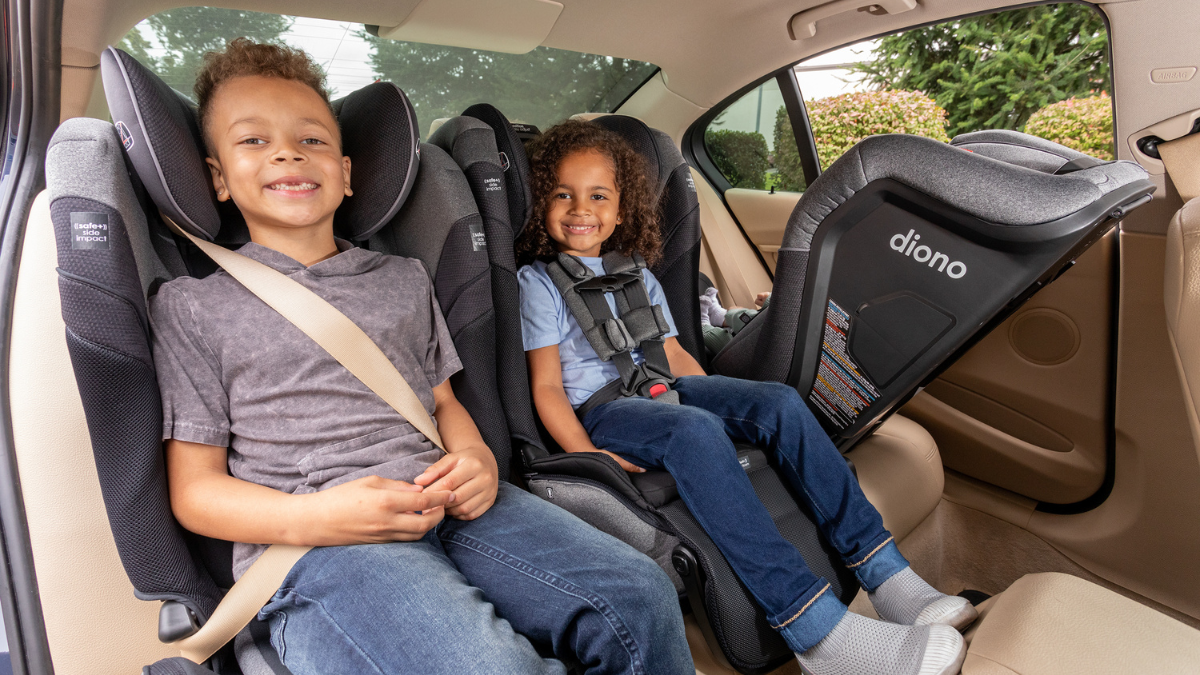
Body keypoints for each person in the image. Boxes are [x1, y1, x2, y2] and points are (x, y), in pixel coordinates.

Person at [150, 39, 692, 675]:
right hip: (319, 543)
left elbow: (440, 402)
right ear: (217, 177)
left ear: (347, 172)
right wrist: (320, 514)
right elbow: (195, 492)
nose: (287, 152)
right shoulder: (194, 306)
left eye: (312, 139)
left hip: (448, 501)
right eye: (252, 141)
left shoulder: (403, 278)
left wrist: (476, 457)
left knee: (641, 595)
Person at [517, 119, 977, 675]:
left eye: (597, 196)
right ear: (543, 202)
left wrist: (710, 396)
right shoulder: (538, 284)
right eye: (562, 194)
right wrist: (590, 454)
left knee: (777, 403)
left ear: (620, 209)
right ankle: (815, 631)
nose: (579, 208)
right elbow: (546, 386)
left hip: (664, 387)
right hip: (607, 409)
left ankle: (889, 578)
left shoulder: (639, 275)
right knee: (695, 431)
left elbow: (676, 357)